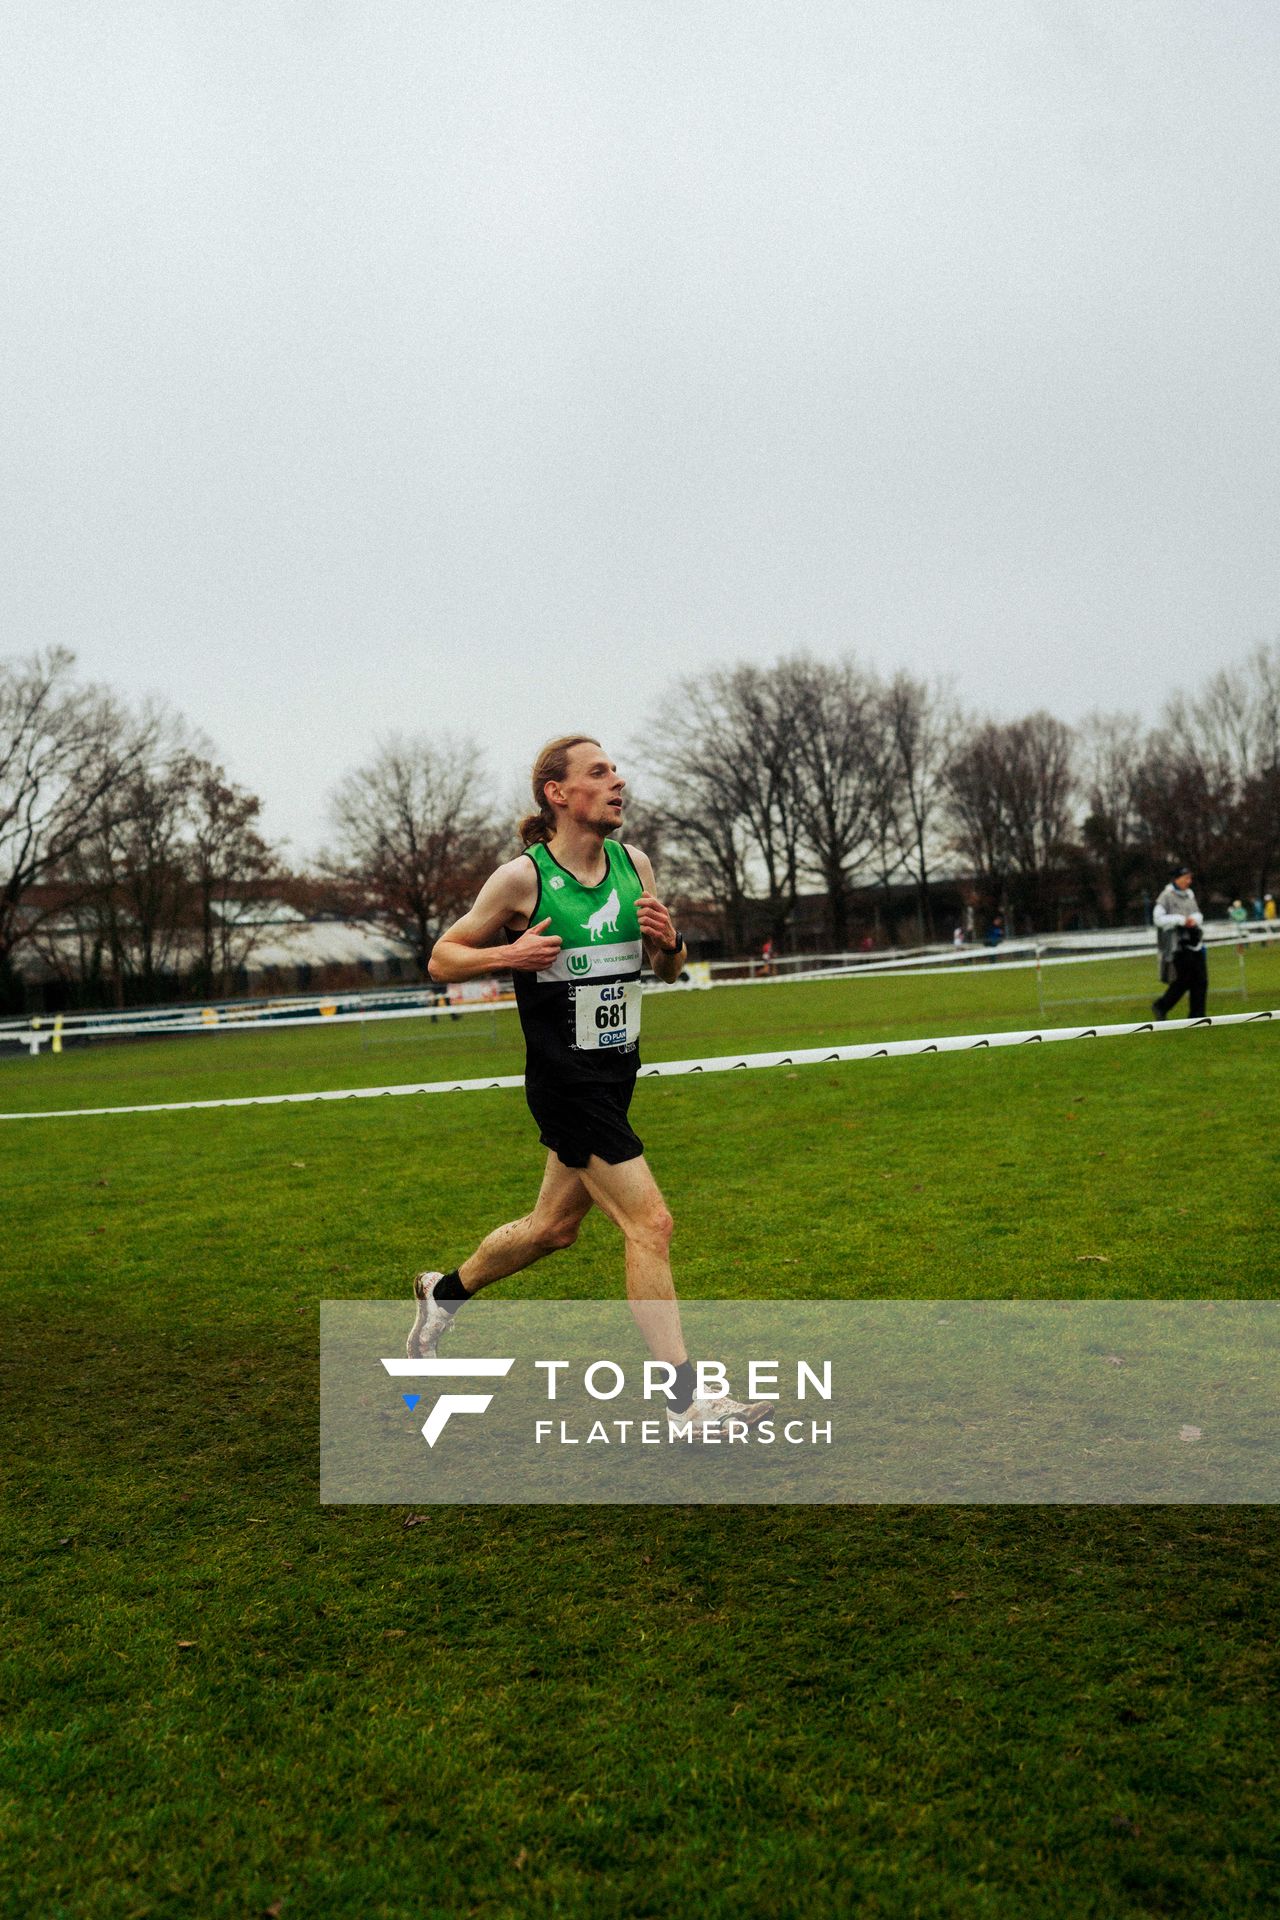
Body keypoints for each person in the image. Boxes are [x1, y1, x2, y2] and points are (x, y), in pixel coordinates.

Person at [405, 734, 767, 1440]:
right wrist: (510, 953)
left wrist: (670, 946)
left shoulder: (636, 865)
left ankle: (440, 1293)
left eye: (616, 770)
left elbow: (663, 971)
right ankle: (686, 1403)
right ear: (558, 794)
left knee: (553, 1229)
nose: (617, 781)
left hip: (616, 1076)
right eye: (599, 772)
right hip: (565, 1083)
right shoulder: (522, 880)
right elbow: (441, 959)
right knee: (650, 1223)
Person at [1151, 864, 1208, 1020]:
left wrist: (1193, 920)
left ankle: (1198, 1015)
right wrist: (1180, 920)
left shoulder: (1190, 895)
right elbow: (1158, 918)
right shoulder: (1166, 896)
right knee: (1183, 980)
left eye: (1190, 878)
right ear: (1177, 878)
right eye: (1186, 878)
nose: (1189, 881)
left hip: (1195, 943)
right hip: (1178, 945)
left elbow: (1198, 914)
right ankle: (1161, 1006)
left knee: (1201, 980)